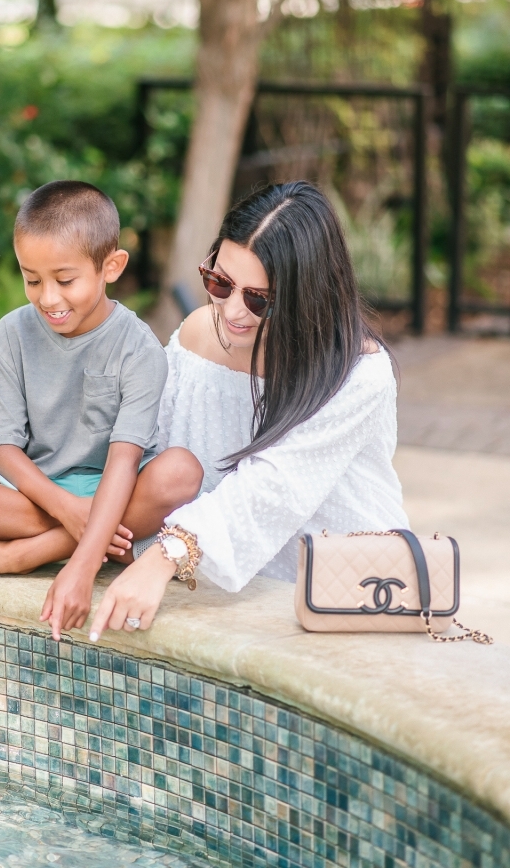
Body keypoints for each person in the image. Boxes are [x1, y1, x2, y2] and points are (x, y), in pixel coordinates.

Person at [87, 180, 410, 640]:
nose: (233, 311)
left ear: (307, 295)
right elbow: (147, 444)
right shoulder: (200, 335)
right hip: (220, 588)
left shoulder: (358, 375)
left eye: (259, 299)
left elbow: (273, 488)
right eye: (220, 282)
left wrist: (166, 555)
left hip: (349, 591)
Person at [0, 180, 202, 639]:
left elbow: (124, 460)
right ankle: (101, 545)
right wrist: (67, 509)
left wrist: (80, 570)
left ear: (111, 266)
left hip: (116, 490)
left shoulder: (139, 348)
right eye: (31, 279)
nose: (48, 298)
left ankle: (26, 552)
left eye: (65, 280)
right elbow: (2, 448)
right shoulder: (11, 334)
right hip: (37, 493)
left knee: (181, 471)